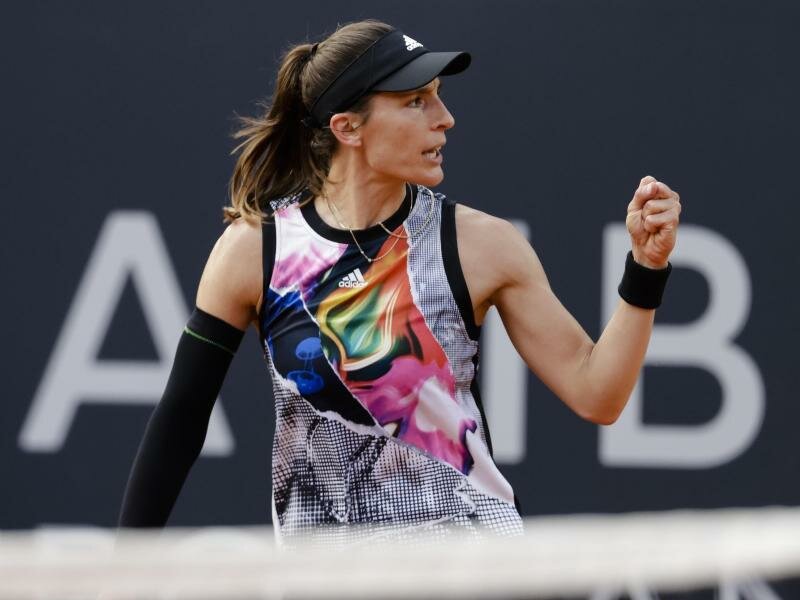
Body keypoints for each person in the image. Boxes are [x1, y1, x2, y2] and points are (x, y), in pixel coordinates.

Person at [118, 20, 681, 543]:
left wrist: (646, 268)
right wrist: (121, 571)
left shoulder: (481, 244)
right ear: (347, 127)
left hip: (471, 567)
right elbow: (182, 418)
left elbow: (597, 393)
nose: (444, 118)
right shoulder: (253, 250)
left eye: (437, 96)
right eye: (416, 102)